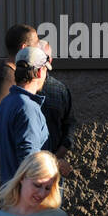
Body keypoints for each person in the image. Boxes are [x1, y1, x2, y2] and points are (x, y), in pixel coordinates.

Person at [0, 24, 39, 203]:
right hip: (3, 167)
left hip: (7, 166)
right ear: (24, 48)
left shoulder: (8, 75)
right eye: (35, 45)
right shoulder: (5, 77)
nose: (38, 49)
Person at [0, 44, 51, 184]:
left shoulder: (6, 102)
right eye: (45, 70)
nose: (46, 75)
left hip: (10, 193)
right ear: (38, 72)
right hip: (24, 198)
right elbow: (30, 160)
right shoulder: (28, 108)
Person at [37, 40, 75, 177]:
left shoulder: (60, 91)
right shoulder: (23, 90)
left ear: (50, 60)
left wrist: (56, 157)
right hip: (28, 166)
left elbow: (69, 126)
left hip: (54, 168)